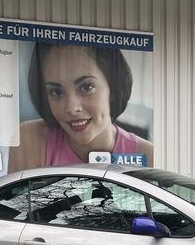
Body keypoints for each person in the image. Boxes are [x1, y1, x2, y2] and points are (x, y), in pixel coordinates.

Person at [8, 43, 153, 172]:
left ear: (114, 87)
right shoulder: (29, 139)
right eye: (56, 92)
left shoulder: (148, 156)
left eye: (86, 87)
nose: (71, 108)